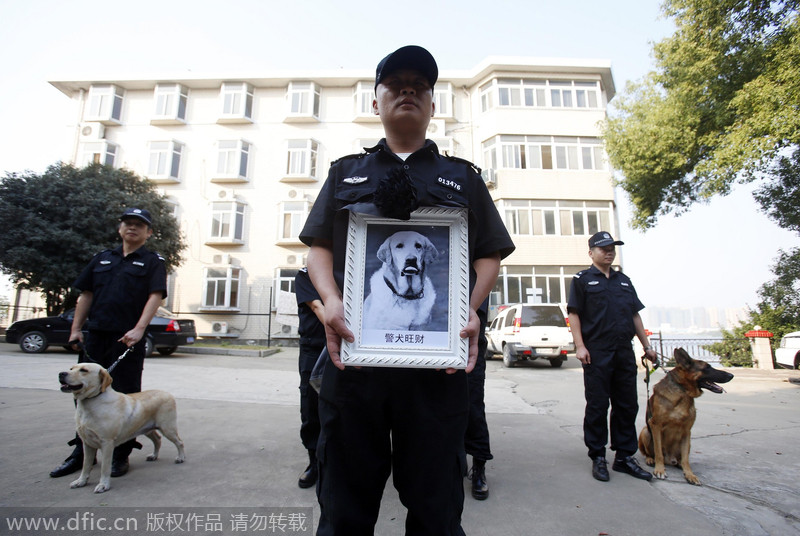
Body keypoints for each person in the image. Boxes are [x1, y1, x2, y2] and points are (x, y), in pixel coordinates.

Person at [300, 45, 514, 535]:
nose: (409, 90)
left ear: (433, 105)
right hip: (356, 365)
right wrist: (332, 301)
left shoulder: (462, 177)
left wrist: (470, 309)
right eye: (395, 83)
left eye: (420, 84)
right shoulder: (345, 173)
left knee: (437, 510)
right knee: (344, 508)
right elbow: (319, 250)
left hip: (435, 372)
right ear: (375, 102)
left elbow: (487, 255)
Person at [49, 208, 167, 479]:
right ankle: (81, 454)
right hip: (96, 337)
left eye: (139, 225)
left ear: (148, 232)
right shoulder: (102, 259)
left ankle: (120, 456)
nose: (132, 228)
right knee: (82, 395)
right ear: (120, 228)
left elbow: (155, 296)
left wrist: (139, 329)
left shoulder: (152, 261)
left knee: (124, 396)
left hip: (127, 339)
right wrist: (76, 329)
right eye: (128, 223)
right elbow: (86, 294)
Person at [566, 231, 657, 483]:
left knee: (627, 404)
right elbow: (574, 314)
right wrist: (580, 346)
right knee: (597, 405)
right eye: (604, 248)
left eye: (612, 248)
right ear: (591, 252)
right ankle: (597, 456)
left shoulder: (624, 281)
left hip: (623, 351)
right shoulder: (582, 280)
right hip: (596, 351)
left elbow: (634, 315)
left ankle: (624, 457)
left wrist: (646, 346)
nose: (609, 252)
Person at [294, 267, 325, 489]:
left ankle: (338, 463)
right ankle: (314, 462)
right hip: (314, 348)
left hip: (349, 348)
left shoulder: (349, 268)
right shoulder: (306, 274)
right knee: (311, 408)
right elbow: (317, 306)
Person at [465, 303, 491, 500]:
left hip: (470, 341)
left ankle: (479, 467)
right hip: (435, 341)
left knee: (473, 407)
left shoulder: (479, 273)